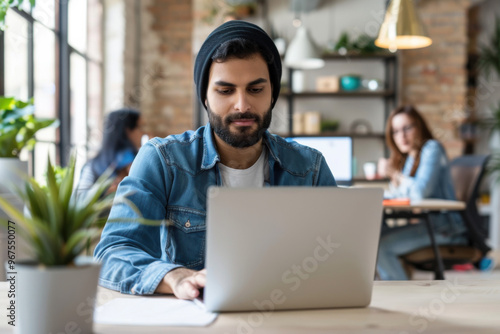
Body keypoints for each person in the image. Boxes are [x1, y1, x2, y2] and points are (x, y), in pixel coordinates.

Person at [94, 20, 337, 300]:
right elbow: (113, 252)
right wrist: (174, 276)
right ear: (205, 97)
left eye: (256, 89)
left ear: (272, 94)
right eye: (225, 91)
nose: (242, 105)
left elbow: (343, 255)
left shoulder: (311, 167)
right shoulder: (163, 160)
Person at [376, 105, 467, 280]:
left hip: (446, 228)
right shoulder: (411, 157)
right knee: (373, 236)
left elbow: (419, 193)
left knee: (380, 246)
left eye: (407, 128)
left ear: (419, 126)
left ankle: (401, 297)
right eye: (395, 131)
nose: (401, 136)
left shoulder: (432, 148)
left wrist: (395, 174)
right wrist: (394, 179)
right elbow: (402, 195)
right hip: (430, 225)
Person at [76, 108, 144, 198]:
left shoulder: (93, 164)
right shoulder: (136, 162)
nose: (144, 132)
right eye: (140, 127)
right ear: (127, 131)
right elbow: (80, 198)